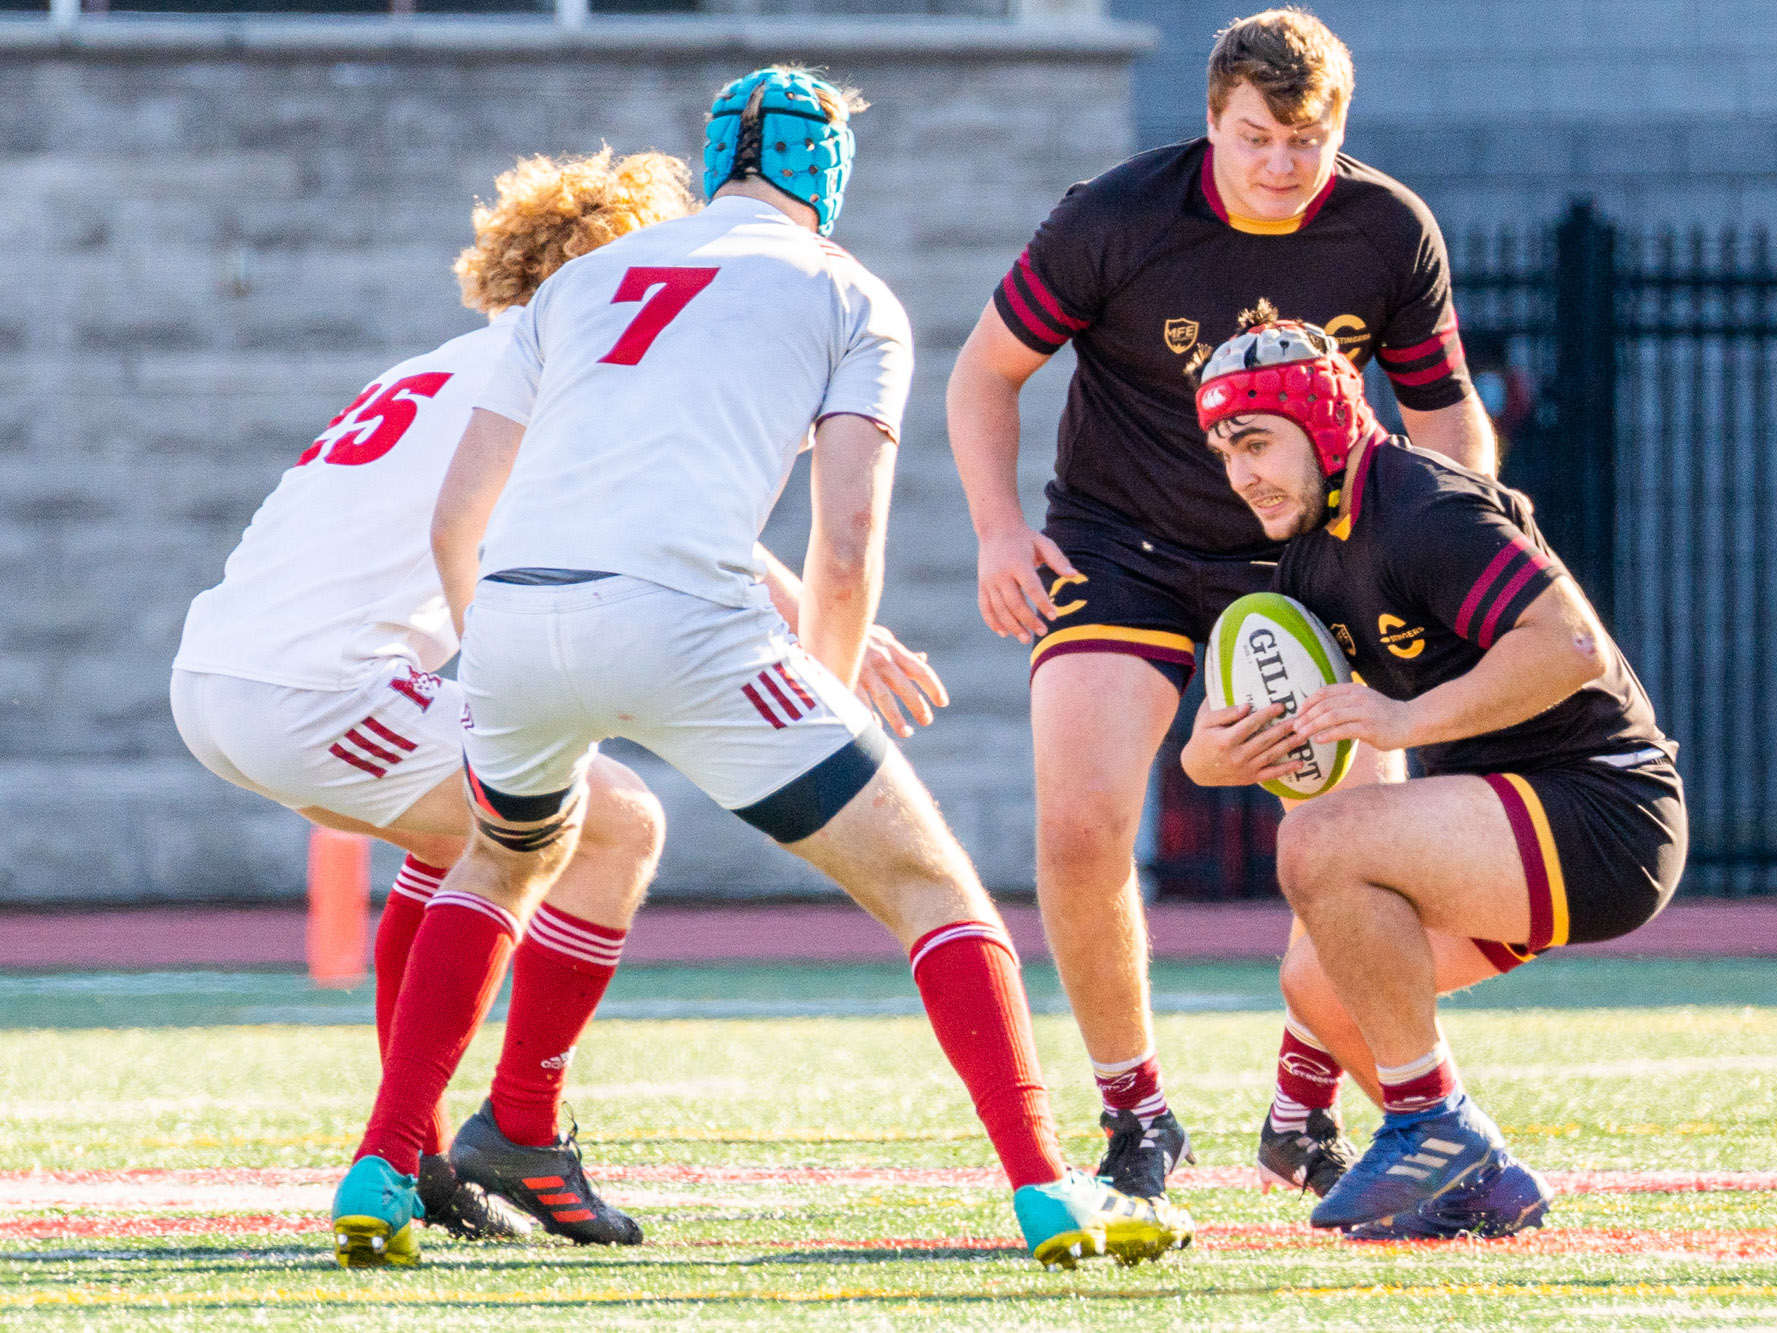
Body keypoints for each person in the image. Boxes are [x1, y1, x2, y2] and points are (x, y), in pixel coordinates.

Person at [328, 66, 1193, 1272]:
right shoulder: (847, 293)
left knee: (498, 853)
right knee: (934, 890)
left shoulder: (578, 281)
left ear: (716, 151)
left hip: (519, 615)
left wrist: (516, 660)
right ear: (827, 171)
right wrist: (830, 703)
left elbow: (457, 520)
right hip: (691, 622)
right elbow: (843, 543)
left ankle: (379, 1162)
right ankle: (1048, 1187)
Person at [946, 5, 1493, 1202]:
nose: (1282, 165)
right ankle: (1133, 1112)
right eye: (1255, 138)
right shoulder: (1117, 215)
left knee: (1355, 841)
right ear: (1211, 124)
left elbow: (1446, 416)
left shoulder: (1387, 227)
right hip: (1123, 540)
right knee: (1081, 820)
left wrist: (1460, 546)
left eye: (1307, 138)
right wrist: (997, 529)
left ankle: (1303, 1099)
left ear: (1339, 127)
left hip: (1309, 549)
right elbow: (985, 369)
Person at [172, 148, 696, 1249]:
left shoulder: (447, 359)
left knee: (460, 833)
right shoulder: (560, 376)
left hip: (223, 673)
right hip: (317, 693)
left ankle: (415, 1154)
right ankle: (482, 1138)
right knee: (617, 824)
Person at [1181, 310, 1687, 1238]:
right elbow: (1324, 754)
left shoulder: (1420, 504)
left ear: (1323, 423)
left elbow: (1571, 645)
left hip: (1605, 806)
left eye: (1256, 441)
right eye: (1225, 450)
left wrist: (1406, 718)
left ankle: (1430, 1123)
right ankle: (1477, 1181)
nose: (1240, 472)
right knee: (1314, 980)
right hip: (1510, 817)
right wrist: (1212, 755)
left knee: (1318, 843)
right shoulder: (1310, 549)